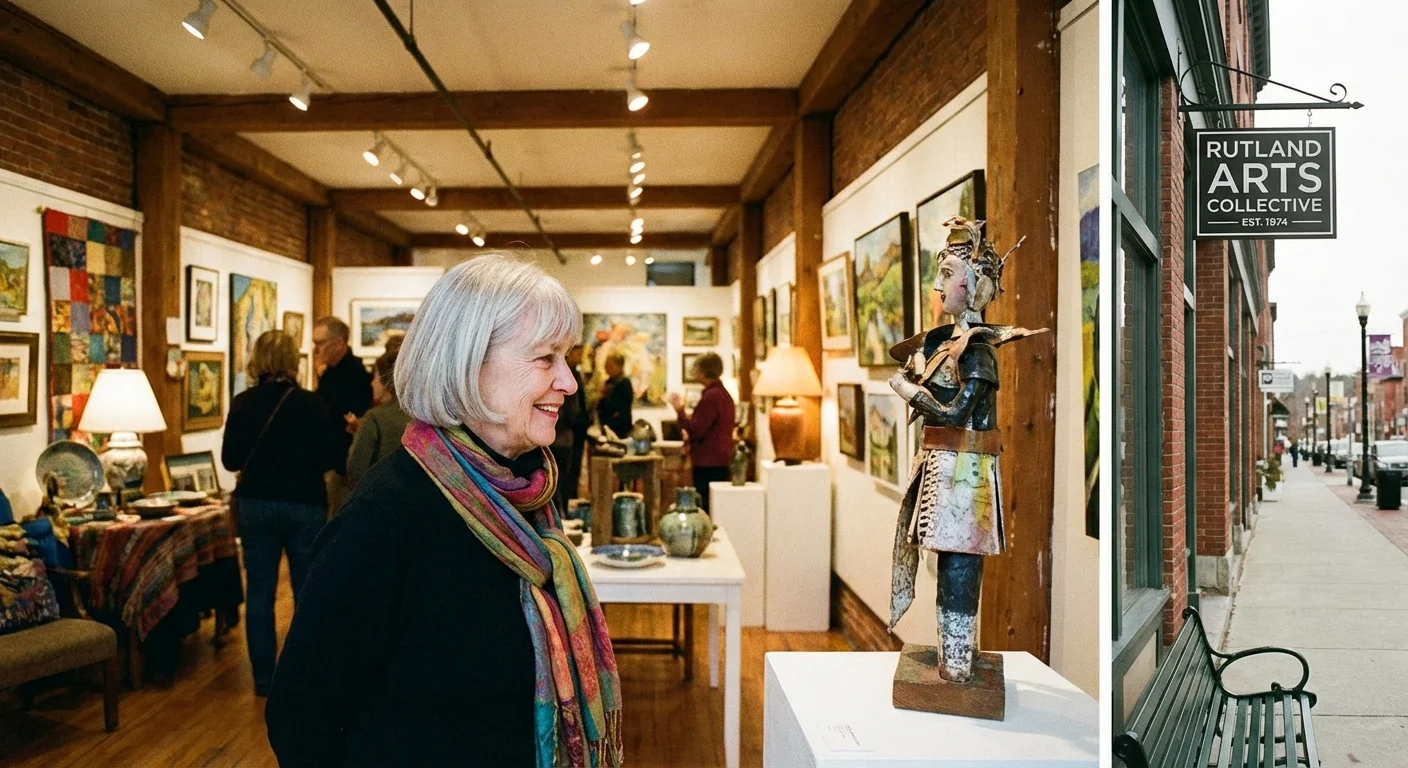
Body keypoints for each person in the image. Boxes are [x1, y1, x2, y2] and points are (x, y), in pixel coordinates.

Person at [266, 256, 623, 767]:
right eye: (546, 358)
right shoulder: (384, 520)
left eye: (566, 358)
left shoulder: (525, 493)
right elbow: (302, 718)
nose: (568, 381)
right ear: (467, 362)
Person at [220, 330, 334, 697]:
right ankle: (304, 675)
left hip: (256, 504)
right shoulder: (311, 404)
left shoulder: (242, 402)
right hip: (304, 504)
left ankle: (264, 680)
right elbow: (329, 457)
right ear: (291, 360)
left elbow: (230, 460)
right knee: (307, 591)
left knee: (260, 590)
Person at [313, 316, 373, 515]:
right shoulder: (330, 372)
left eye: (320, 343)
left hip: (342, 464)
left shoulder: (354, 375)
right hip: (329, 459)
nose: (316, 349)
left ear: (338, 343)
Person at [667, 352, 735, 514]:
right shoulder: (724, 395)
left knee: (706, 505)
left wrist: (680, 411)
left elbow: (697, 430)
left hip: (708, 461)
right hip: (721, 458)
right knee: (716, 505)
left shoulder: (711, 396)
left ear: (702, 372)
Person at [346, 346, 412, 488]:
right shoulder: (430, 416)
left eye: (375, 376)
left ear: (386, 379)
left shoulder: (376, 418)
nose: (372, 382)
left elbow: (357, 471)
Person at [550, 343, 590, 511]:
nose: (579, 358)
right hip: (561, 435)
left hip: (567, 435)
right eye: (577, 354)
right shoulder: (569, 374)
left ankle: (563, 510)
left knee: (564, 477)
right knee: (557, 479)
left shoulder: (575, 374)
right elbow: (572, 409)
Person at [595, 352, 634, 438]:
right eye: (606, 365)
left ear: (619, 367)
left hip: (619, 427)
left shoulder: (624, 383)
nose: (606, 368)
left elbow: (621, 406)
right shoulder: (608, 382)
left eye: (610, 365)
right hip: (606, 425)